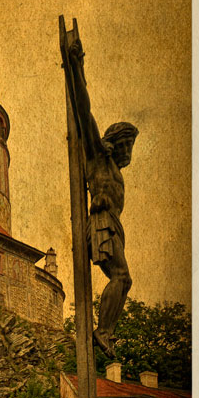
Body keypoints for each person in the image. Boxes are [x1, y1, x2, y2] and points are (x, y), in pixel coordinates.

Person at [67, 38, 139, 359]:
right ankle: (103, 331)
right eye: (127, 146)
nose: (129, 154)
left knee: (125, 279)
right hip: (100, 223)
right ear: (115, 143)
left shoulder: (115, 171)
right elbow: (84, 110)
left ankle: (105, 330)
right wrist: (76, 67)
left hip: (112, 225)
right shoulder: (97, 156)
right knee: (121, 276)